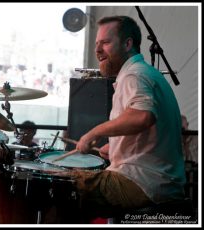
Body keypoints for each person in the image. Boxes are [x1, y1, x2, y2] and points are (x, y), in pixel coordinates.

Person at [63, 15, 186, 222]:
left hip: (142, 183)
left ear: (128, 43)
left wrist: (94, 132)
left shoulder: (134, 75)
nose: (97, 50)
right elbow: (148, 129)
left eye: (106, 42)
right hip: (160, 182)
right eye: (96, 44)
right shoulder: (147, 73)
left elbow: (142, 116)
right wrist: (117, 147)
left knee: (61, 189)